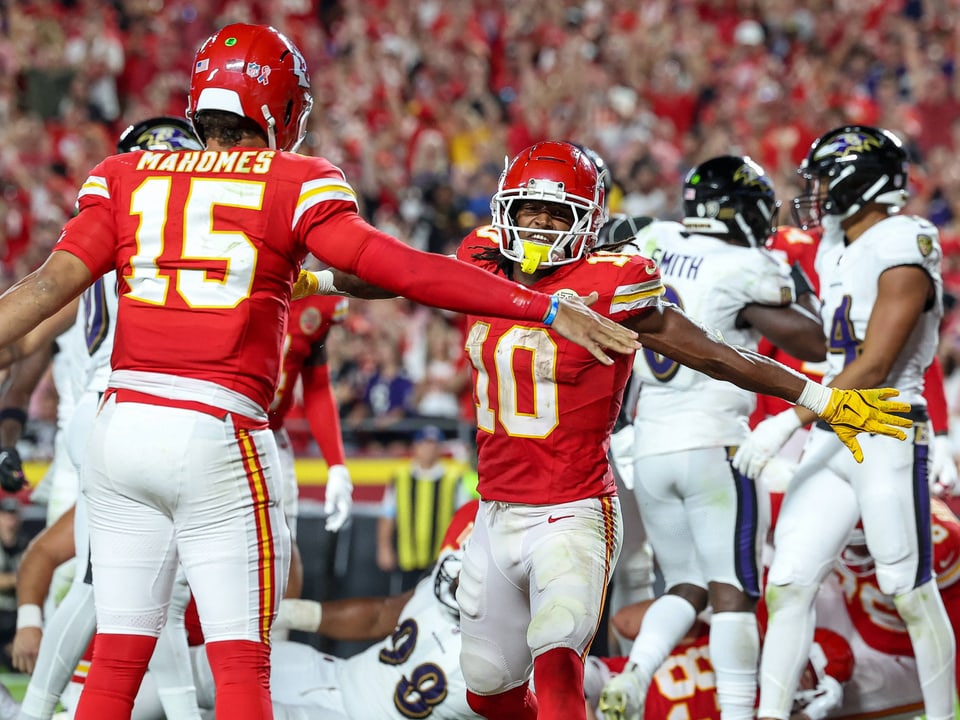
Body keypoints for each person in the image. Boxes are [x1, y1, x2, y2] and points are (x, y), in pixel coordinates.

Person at [0, 23, 639, 720]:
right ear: (282, 108)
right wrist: (539, 308)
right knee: (243, 664)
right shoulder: (296, 178)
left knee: (117, 657)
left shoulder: (121, 174)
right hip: (214, 427)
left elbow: (41, 288)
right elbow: (404, 270)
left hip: (119, 426)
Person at [446, 140, 910, 720]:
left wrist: (820, 397)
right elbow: (407, 275)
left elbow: (714, 352)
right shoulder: (483, 258)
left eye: (557, 213)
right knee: (490, 685)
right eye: (527, 210)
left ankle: (660, 688)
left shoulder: (633, 263)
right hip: (543, 490)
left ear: (586, 222)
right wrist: (327, 281)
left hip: (599, 482)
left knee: (591, 634)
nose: (538, 224)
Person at [732, 125, 957, 720]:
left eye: (828, 178)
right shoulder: (835, 246)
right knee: (789, 584)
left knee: (909, 593)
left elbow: (876, 362)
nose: (819, 191)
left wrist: (786, 420)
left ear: (864, 181)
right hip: (834, 425)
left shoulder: (905, 238)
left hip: (884, 421)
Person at [599, 155, 826, 720]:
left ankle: (635, 674)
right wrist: (790, 271)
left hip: (647, 445)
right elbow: (816, 341)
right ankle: (735, 712)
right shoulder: (746, 263)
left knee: (683, 586)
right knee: (732, 593)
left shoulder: (652, 236)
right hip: (714, 442)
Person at [14, 116, 208, 720]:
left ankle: (42, 710)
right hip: (131, 409)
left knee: (138, 593)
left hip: (111, 414)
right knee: (128, 591)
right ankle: (38, 710)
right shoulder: (190, 232)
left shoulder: (122, 224)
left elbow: (31, 330)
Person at [269, 285, 353, 601]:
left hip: (271, 437)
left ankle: (276, 647)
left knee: (281, 552)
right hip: (219, 427)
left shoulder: (317, 300)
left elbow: (316, 383)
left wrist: (336, 465)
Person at [377, 424, 474, 593]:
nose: (429, 449)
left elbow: (463, 517)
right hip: (407, 556)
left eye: (434, 444)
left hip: (440, 556)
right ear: (416, 446)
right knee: (403, 603)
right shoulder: (400, 477)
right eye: (425, 443)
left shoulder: (453, 478)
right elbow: (388, 514)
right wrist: (384, 547)